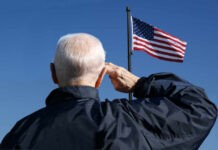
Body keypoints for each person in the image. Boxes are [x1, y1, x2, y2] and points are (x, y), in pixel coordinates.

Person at [0, 33, 217, 150]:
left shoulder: (20, 133)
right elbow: (199, 107)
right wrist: (138, 84)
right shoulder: (127, 121)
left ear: (53, 73)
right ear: (102, 76)